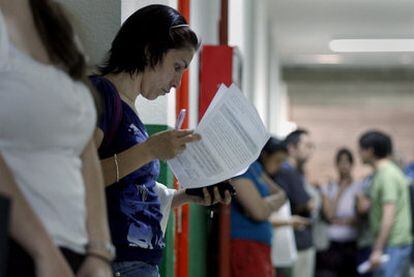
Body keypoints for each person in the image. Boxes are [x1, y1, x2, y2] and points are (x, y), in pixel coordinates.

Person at [91, 5, 231, 276]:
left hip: (139, 261)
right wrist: (149, 150)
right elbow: (79, 176)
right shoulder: (100, 95)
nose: (178, 81)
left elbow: (132, 191)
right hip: (114, 261)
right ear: (148, 51)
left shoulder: (131, 110)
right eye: (176, 67)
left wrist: (185, 197)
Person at [0, 0, 112, 276]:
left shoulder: (57, 28)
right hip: (18, 248)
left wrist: (98, 252)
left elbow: (84, 149)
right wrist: (43, 251)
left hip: (73, 251)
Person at [230, 137, 287, 277]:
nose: (279, 166)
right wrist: (265, 206)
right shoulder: (241, 168)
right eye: (277, 161)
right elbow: (259, 212)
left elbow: (282, 194)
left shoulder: (256, 167)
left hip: (259, 246)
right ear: (265, 155)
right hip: (245, 246)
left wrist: (263, 204)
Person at [358, 130, 412, 277]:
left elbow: (389, 215)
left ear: (370, 151)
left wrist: (377, 249)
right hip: (391, 244)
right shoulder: (381, 174)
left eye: (361, 149)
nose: (359, 154)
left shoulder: (387, 175)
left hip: (393, 245)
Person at [274, 129, 316, 277]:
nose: (310, 150)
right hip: (297, 241)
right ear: (291, 148)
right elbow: (306, 203)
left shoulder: (294, 171)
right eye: (306, 145)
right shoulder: (287, 171)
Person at [317, 148, 361, 277]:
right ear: (336, 165)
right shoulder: (329, 187)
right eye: (341, 162)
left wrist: (342, 220)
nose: (344, 165)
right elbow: (330, 214)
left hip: (352, 244)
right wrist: (340, 191)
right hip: (333, 244)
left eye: (347, 162)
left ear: (352, 164)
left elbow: (358, 218)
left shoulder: (359, 187)